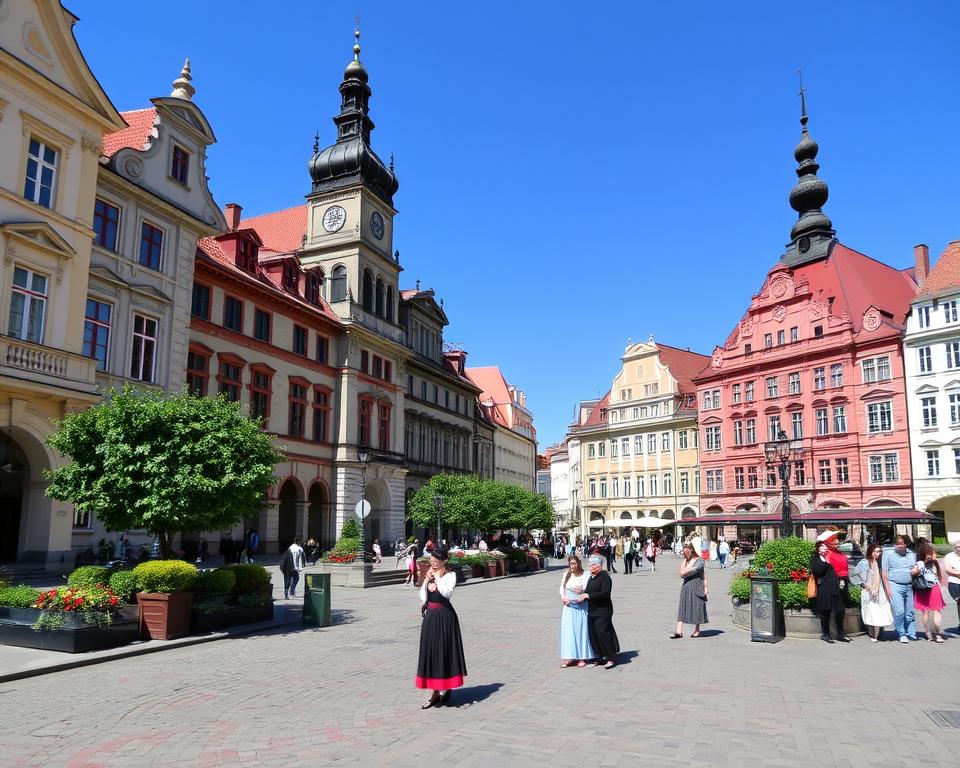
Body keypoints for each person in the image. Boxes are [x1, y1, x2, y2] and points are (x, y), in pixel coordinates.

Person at [415, 547, 467, 708]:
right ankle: (435, 691)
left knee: (444, 650)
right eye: (431, 560)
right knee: (430, 651)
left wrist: (436, 578)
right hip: (430, 616)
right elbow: (423, 597)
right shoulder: (430, 575)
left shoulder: (450, 575)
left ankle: (447, 686)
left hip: (445, 617)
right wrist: (426, 580)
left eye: (435, 561)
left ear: (443, 561)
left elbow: (446, 593)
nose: (432, 563)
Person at [579, 555, 619, 668]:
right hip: (592, 610)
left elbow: (605, 593)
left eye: (591, 565)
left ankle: (610, 657)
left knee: (603, 633)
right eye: (590, 565)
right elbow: (588, 590)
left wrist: (588, 595)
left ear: (598, 566)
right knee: (593, 634)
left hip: (602, 611)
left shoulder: (605, 577)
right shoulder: (592, 577)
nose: (589, 567)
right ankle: (600, 657)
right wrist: (582, 592)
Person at [811, 532, 847, 643]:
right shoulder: (815, 559)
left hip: (834, 587)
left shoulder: (830, 556)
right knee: (825, 612)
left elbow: (838, 570)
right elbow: (818, 571)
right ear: (818, 549)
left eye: (824, 547)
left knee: (840, 610)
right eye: (821, 548)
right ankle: (826, 634)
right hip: (824, 588)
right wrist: (824, 560)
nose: (823, 549)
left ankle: (840, 634)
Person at [559, 556, 594, 667]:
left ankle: (581, 657)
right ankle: (569, 656)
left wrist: (576, 591)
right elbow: (562, 588)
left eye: (574, 563)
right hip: (568, 607)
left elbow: (583, 588)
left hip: (580, 607)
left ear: (578, 563)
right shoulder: (566, 574)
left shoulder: (585, 574)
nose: (572, 566)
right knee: (568, 632)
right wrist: (563, 597)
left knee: (580, 631)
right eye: (570, 564)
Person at [882, 534, 918, 643]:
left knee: (910, 612)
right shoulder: (888, 554)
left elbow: (915, 567)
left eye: (902, 543)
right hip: (895, 585)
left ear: (906, 544)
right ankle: (901, 633)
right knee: (899, 611)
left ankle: (910, 632)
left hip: (908, 585)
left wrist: (916, 569)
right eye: (898, 543)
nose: (900, 546)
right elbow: (884, 572)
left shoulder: (911, 554)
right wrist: (887, 589)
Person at [856, 542, 893, 642]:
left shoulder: (879, 563)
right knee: (871, 612)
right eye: (876, 551)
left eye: (879, 551)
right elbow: (857, 575)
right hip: (869, 591)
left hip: (879, 590)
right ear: (870, 552)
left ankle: (877, 633)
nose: (878, 553)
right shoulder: (865, 562)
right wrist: (866, 586)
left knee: (878, 611)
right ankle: (873, 635)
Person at [671, 541, 708, 638]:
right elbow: (681, 574)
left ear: (691, 550)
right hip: (686, 586)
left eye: (685, 552)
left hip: (696, 586)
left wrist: (706, 587)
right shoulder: (686, 561)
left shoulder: (699, 561)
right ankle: (679, 631)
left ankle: (697, 630)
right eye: (684, 552)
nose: (684, 553)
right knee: (682, 607)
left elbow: (701, 574)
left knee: (697, 607)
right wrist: (685, 561)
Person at [914, 544, 946, 643]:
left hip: (924, 589)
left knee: (926, 612)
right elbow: (914, 570)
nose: (933, 554)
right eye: (932, 552)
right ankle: (937, 634)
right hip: (932, 588)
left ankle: (929, 634)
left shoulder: (931, 563)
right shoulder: (924, 563)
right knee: (934, 611)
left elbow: (913, 571)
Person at [944, 539, 960, 632]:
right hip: (954, 584)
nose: (959, 549)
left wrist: (955, 571)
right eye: (958, 547)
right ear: (954, 547)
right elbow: (948, 570)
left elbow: (952, 570)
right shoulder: (949, 556)